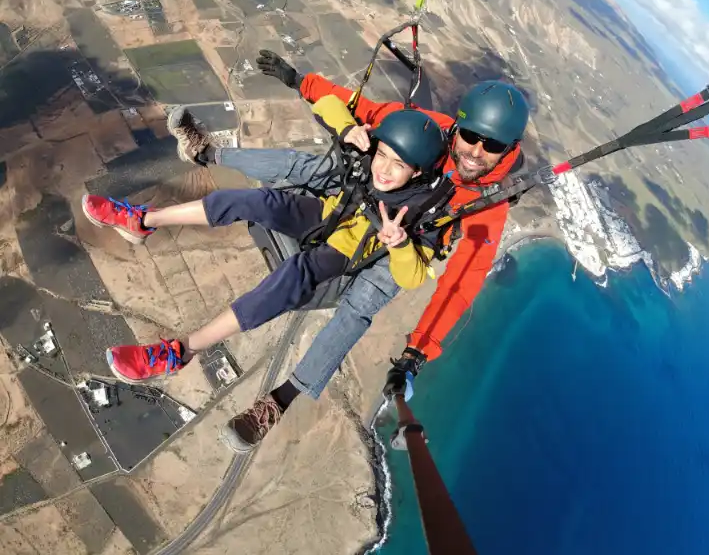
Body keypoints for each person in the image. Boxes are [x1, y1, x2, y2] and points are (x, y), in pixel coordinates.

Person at [174, 50, 530, 453]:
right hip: (370, 202)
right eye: (471, 137)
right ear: (458, 128)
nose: (476, 151)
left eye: (493, 145)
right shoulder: (434, 130)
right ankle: (206, 153)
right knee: (300, 166)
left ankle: (278, 402)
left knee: (361, 305)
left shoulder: (490, 206)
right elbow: (367, 109)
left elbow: (460, 286)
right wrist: (300, 82)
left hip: (405, 247)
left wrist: (415, 354)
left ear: (510, 148)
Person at [83, 97, 448, 387]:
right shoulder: (372, 157)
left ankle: (181, 352)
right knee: (256, 200)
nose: (382, 169)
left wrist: (399, 245)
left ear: (416, 172)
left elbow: (414, 276)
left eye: (397, 165)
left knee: (294, 276)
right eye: (382, 155)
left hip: (347, 249)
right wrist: (350, 127)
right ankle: (141, 221)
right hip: (326, 212)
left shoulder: (420, 210)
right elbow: (326, 103)